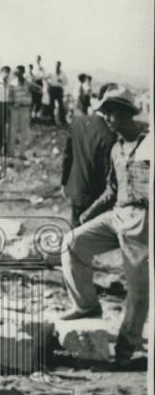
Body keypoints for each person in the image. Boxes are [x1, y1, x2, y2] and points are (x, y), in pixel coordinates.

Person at [60, 86, 150, 365]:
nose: (107, 118)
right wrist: (89, 213)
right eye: (105, 112)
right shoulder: (116, 148)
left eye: (111, 112)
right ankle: (86, 306)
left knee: (138, 289)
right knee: (72, 243)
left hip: (144, 219)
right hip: (118, 214)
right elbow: (112, 190)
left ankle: (126, 349)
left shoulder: (149, 144)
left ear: (126, 113)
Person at [61, 82, 117, 227]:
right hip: (97, 198)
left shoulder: (77, 122)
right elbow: (108, 173)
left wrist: (63, 182)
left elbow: (67, 156)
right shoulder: (110, 134)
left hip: (77, 190)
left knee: (74, 236)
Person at [49, 60, 67, 125]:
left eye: (58, 65)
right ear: (55, 65)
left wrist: (61, 81)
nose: (57, 66)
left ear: (60, 66)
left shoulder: (63, 73)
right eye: (56, 65)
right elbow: (45, 78)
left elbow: (66, 82)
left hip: (59, 89)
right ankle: (52, 119)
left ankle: (62, 119)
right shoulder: (51, 73)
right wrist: (49, 83)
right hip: (52, 89)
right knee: (52, 105)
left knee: (61, 105)